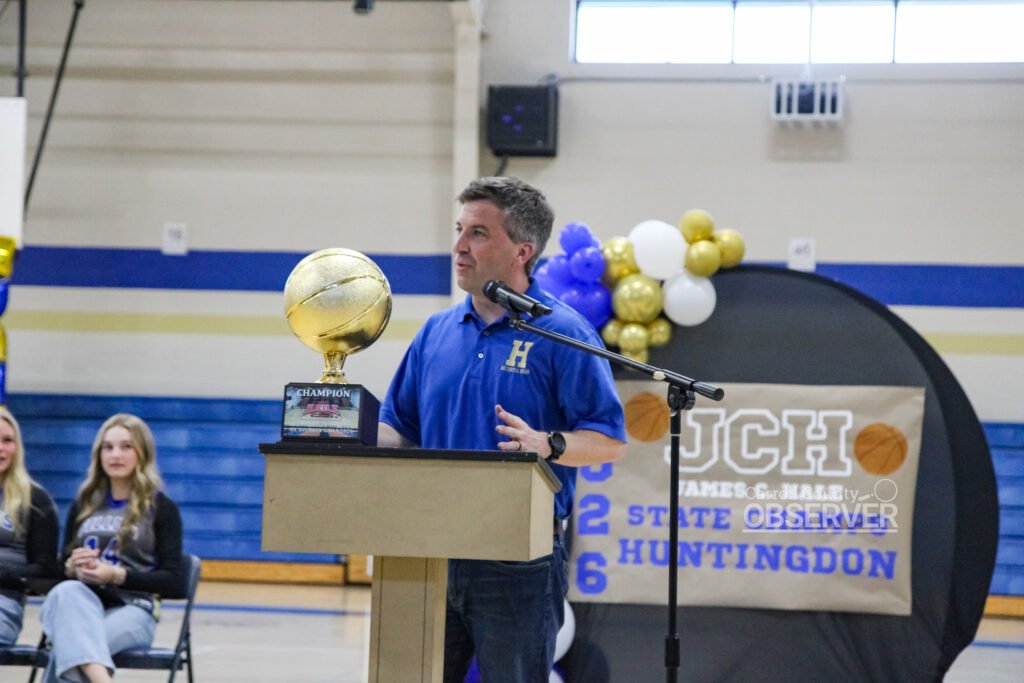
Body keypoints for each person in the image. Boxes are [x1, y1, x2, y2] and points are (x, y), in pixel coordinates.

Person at [378, 176, 627, 682]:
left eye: (478, 233)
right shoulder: (436, 332)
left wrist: (548, 443)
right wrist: (338, 434)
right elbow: (398, 428)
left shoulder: (563, 333)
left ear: (522, 251)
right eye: (459, 230)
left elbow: (608, 441)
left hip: (518, 560)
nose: (458, 247)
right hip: (430, 547)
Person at [40, 413, 183, 683]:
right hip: (84, 605)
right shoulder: (83, 504)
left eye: (126, 446)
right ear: (98, 454)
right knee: (66, 591)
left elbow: (174, 581)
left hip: (134, 608)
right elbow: (57, 573)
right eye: (108, 447)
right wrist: (71, 567)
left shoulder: (161, 508)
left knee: (71, 649)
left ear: (143, 453)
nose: (115, 454)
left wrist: (117, 575)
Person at [0, 406, 60, 646]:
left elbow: (46, 570)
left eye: (7, 441)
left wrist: (3, 575)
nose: (1, 448)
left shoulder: (36, 500)